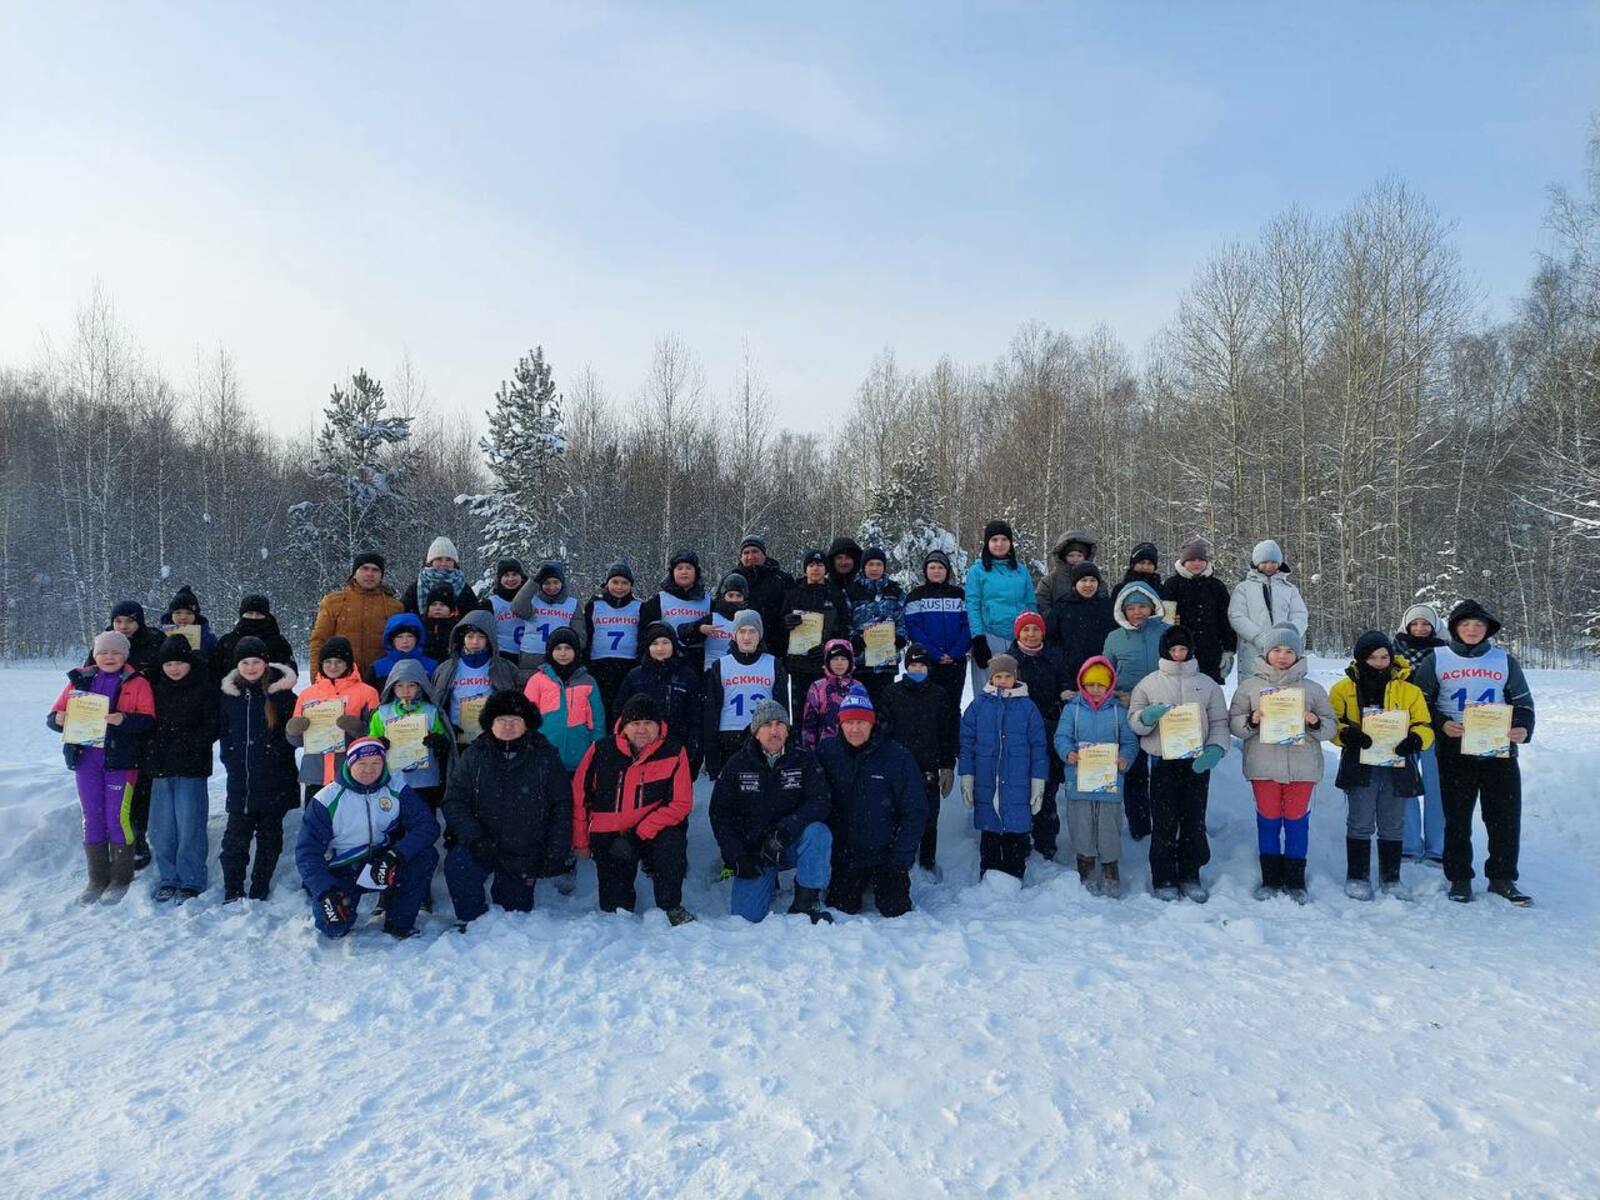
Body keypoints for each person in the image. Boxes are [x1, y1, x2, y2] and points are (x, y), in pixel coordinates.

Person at [1410, 600, 1536, 906]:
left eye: (1478, 625)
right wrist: (1442, 724)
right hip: (1455, 746)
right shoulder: (1436, 659)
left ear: (1487, 629)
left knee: (1504, 816)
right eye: (1465, 624)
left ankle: (1502, 877)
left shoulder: (1503, 660)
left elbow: (1523, 703)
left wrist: (1522, 728)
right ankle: (1460, 878)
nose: (1472, 630)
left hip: (1497, 744)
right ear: (1455, 628)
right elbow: (1420, 703)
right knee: (1456, 816)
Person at [441, 690, 571, 925]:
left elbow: (561, 805)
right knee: (459, 865)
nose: (508, 726)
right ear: (490, 724)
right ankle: (471, 921)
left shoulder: (545, 757)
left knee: (515, 917)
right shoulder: (474, 755)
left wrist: (555, 851)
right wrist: (475, 838)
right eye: (501, 720)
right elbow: (454, 801)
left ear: (527, 724)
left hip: (525, 848)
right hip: (482, 843)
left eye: (515, 720)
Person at [1228, 624, 1337, 903]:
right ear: (1266, 653)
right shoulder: (1250, 687)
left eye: (1289, 650)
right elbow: (1234, 725)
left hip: (1302, 768)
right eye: (1276, 649)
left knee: (1297, 822)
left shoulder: (1311, 689)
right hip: (1263, 767)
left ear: (1298, 655)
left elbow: (1330, 728)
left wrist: (1313, 721)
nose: (1282, 655)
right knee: (1268, 822)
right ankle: (1271, 878)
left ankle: (1296, 879)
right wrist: (1252, 720)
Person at [48, 630, 156, 905]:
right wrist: (59, 719)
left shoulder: (137, 681)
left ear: (125, 656)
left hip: (121, 761)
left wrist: (124, 720)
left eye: (116, 652)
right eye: (104, 652)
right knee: (92, 817)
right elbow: (53, 716)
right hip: (86, 759)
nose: (110, 657)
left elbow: (148, 721)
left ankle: (121, 876)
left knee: (117, 818)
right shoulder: (81, 679)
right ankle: (97, 877)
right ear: (95, 655)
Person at [296, 737, 440, 939]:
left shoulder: (397, 788)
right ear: (349, 763)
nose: (369, 769)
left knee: (424, 856)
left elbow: (427, 826)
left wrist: (396, 855)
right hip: (343, 870)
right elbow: (307, 853)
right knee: (333, 929)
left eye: (376, 763)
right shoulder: (326, 799)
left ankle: (399, 922)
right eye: (362, 763)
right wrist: (325, 891)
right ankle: (338, 907)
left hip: (383, 864)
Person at [571, 693, 696, 924]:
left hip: (651, 832)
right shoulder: (601, 750)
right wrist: (581, 842)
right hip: (608, 834)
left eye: (649, 723)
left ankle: (670, 906)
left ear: (659, 726)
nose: (642, 730)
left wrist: (637, 835)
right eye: (635, 723)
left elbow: (681, 804)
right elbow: (579, 795)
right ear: (623, 726)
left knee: (672, 841)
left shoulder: (674, 752)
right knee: (615, 909)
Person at [708, 699, 834, 924]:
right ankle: (766, 881)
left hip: (790, 842)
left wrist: (786, 829)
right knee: (745, 917)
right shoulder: (737, 764)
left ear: (787, 730)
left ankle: (806, 901)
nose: (774, 730)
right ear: (756, 732)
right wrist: (737, 857)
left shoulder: (804, 759)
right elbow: (720, 814)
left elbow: (820, 801)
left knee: (819, 833)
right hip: (756, 853)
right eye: (767, 725)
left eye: (779, 724)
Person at [1329, 631, 1434, 901]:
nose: (1379, 662)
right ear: (1360, 658)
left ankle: (1391, 878)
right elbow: (1332, 723)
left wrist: (1415, 740)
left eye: (1384, 656)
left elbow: (1424, 725)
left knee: (1392, 823)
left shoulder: (1408, 690)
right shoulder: (1343, 689)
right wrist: (1346, 735)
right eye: (1372, 657)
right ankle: (1357, 876)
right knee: (1360, 822)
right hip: (1359, 763)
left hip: (1397, 765)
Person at [1127, 627, 1229, 903]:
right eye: (1174, 650)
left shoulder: (1206, 684)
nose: (1179, 655)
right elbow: (1134, 720)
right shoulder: (1149, 684)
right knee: (1164, 820)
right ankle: (1163, 878)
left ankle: (1189, 874)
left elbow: (1220, 722)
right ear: (1165, 652)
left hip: (1197, 763)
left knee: (1193, 820)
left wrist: (1216, 748)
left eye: (1183, 649)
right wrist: (1147, 718)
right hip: (1163, 763)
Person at [816, 689, 927, 917]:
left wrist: (900, 860)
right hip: (846, 856)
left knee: (895, 911)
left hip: (886, 856)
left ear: (873, 723)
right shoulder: (827, 753)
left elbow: (915, 811)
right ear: (840, 724)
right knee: (841, 909)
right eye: (849, 722)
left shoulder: (897, 756)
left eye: (862, 722)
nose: (855, 729)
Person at [217, 639, 300, 902]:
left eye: (256, 662)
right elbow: (226, 734)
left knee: (269, 837)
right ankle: (233, 888)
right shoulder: (231, 697)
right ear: (237, 665)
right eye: (244, 662)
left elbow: (294, 734)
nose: (250, 667)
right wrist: (231, 760)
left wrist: (275, 754)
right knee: (234, 840)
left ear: (265, 663)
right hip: (241, 779)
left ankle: (260, 886)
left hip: (274, 778)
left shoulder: (283, 695)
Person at [1052, 657, 1139, 896]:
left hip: (1109, 781)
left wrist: (1125, 757)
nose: (1095, 690)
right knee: (1082, 824)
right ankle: (1086, 866)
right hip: (1079, 778)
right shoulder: (1073, 709)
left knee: (1108, 825)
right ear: (1082, 685)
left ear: (1109, 686)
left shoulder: (1119, 712)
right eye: (1090, 685)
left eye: (1100, 685)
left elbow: (1130, 741)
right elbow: (1061, 737)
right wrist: (1067, 752)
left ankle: (1110, 868)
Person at [959, 653, 1047, 882]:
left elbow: (1039, 746)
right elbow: (967, 743)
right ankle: (988, 878)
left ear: (1015, 677)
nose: (1002, 680)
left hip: (1018, 781)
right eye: (998, 676)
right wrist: (966, 775)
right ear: (990, 677)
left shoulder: (1028, 707)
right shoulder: (978, 706)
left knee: (1015, 834)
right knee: (990, 833)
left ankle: (1014, 878)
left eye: (1007, 676)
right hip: (986, 781)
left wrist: (1038, 781)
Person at [146, 635, 219, 903]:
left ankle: (191, 879)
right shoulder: (153, 689)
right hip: (160, 768)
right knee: (162, 828)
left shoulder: (205, 689)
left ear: (189, 663)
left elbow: (212, 726)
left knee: (190, 826)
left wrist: (189, 743)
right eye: (168, 664)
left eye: (179, 663)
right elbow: (145, 723)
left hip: (191, 767)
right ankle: (168, 877)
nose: (174, 668)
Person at [878, 644, 958, 880]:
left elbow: (948, 733)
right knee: (897, 816)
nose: (918, 669)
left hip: (929, 768)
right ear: (906, 666)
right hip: (898, 769)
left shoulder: (939, 695)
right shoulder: (891, 694)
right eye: (913, 665)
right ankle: (899, 862)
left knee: (928, 818)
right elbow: (882, 731)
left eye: (922, 665)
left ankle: (927, 863)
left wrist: (947, 765)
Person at [1100, 579, 1170, 841]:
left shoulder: (1166, 632)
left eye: (1142, 606)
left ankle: (1164, 819)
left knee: (1164, 770)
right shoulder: (1114, 638)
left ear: (1152, 607)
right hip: (1128, 709)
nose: (1137, 612)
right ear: (1123, 610)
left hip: (1163, 710)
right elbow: (1105, 673)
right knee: (1135, 769)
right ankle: (1140, 826)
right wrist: (1116, 696)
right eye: (1131, 608)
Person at [285, 636, 380, 805]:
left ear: (348, 663)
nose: (333, 666)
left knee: (350, 825)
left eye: (339, 661)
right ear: (321, 663)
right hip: (316, 773)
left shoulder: (367, 693)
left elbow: (377, 735)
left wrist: (358, 729)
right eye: (328, 661)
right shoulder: (308, 694)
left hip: (352, 771)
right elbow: (296, 741)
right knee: (316, 826)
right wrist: (293, 731)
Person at [1005, 610, 1067, 860]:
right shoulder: (1009, 660)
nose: (1031, 634)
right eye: (1026, 630)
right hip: (1019, 733)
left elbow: (1064, 684)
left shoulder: (1054, 656)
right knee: (1020, 787)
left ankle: (1046, 840)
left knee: (1047, 787)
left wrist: (1064, 695)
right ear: (1018, 633)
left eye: (1036, 629)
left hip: (1049, 728)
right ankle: (1019, 837)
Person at [1392, 602, 1448, 864]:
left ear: (1434, 626)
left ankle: (1438, 846)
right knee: (1406, 783)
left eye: (1426, 623)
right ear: (1406, 625)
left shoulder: (1447, 653)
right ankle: (1410, 843)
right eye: (1415, 623)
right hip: (1402, 725)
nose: (1420, 628)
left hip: (1437, 726)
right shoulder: (1392, 652)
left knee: (1437, 785)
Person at [702, 610, 787, 779]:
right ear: (734, 635)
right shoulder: (721, 665)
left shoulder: (773, 664)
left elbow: (783, 707)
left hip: (763, 736)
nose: (747, 637)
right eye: (742, 631)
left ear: (760, 635)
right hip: (729, 737)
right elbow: (711, 711)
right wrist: (712, 757)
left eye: (752, 631)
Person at [615, 623, 702, 777]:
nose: (660, 648)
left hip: (677, 746)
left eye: (665, 642)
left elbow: (696, 714)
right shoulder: (635, 677)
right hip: (641, 747)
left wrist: (693, 745)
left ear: (673, 645)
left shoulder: (687, 675)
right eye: (655, 643)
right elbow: (620, 713)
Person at [369, 659, 453, 811]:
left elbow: (443, 741)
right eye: (399, 685)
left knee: (425, 821)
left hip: (425, 781)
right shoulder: (382, 713)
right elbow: (371, 742)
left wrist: (438, 742)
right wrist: (379, 743)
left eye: (411, 685)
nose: (405, 691)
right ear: (392, 687)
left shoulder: (431, 711)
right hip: (393, 780)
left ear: (420, 686)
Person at [309, 550, 404, 684]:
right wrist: (317, 678)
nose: (370, 574)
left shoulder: (395, 607)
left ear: (381, 576)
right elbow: (319, 641)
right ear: (354, 573)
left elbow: (402, 646)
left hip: (382, 680)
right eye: (364, 568)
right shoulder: (334, 602)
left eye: (375, 570)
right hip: (342, 680)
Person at [964, 519, 1036, 692]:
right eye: (994, 540)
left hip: (1018, 639)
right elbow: (972, 605)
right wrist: (978, 638)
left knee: (1016, 688)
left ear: (1010, 543)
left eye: (1004, 539)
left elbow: (1030, 603)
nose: (999, 544)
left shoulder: (1021, 571)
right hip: (989, 636)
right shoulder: (977, 571)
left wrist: (1031, 632)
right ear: (987, 543)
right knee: (988, 689)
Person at [523, 628, 608, 774]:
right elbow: (526, 716)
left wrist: (597, 745)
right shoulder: (537, 680)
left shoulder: (588, 681)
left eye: (568, 648)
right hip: (545, 756)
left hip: (579, 756)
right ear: (550, 651)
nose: (563, 653)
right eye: (558, 648)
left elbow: (597, 718)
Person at [903, 549, 968, 737]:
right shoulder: (916, 595)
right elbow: (914, 628)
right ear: (925, 571)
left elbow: (967, 626)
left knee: (952, 706)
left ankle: (952, 749)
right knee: (929, 706)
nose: (936, 571)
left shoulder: (958, 594)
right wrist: (934, 654)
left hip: (955, 661)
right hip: (928, 662)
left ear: (947, 570)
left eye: (940, 567)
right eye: (932, 567)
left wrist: (955, 652)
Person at [431, 610, 520, 745]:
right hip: (458, 736)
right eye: (470, 636)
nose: (475, 641)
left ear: (489, 639)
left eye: (481, 637)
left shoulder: (504, 668)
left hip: (493, 736)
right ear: (462, 638)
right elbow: (437, 703)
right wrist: (446, 729)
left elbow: (515, 702)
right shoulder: (446, 669)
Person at [780, 548, 851, 716]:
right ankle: (799, 742)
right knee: (800, 712)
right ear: (805, 569)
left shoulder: (835, 595)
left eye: (820, 564)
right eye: (811, 565)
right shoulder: (793, 594)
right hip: (799, 664)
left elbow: (844, 628)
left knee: (827, 710)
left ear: (826, 569)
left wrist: (828, 649)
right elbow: (779, 626)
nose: (815, 568)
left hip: (826, 665)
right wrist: (786, 622)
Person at [1228, 539, 1309, 679]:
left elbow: (1300, 615)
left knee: (1285, 692)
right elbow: (1236, 616)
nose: (1269, 566)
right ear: (1256, 563)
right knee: (1253, 691)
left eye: (1273, 562)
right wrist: (1258, 637)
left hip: (1285, 650)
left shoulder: (1289, 589)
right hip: (1253, 649)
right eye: (1264, 562)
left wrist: (1290, 636)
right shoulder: (1244, 588)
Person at [1160, 536, 1237, 683]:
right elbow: (1166, 620)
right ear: (1184, 562)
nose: (1196, 563)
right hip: (1181, 651)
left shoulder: (1217, 586)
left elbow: (1225, 619)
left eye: (1200, 559)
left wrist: (1228, 649)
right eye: (1191, 560)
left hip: (1211, 649)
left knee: (1209, 693)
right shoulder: (1172, 585)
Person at [844, 547, 907, 709]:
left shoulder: (895, 591)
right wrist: (853, 639)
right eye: (870, 564)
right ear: (863, 567)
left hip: (886, 661)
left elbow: (902, 619)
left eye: (879, 564)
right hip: (861, 662)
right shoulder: (852, 591)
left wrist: (900, 638)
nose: (874, 568)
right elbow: (845, 621)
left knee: (884, 708)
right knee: (862, 707)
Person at [583, 562, 644, 715]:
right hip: (599, 665)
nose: (619, 587)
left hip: (628, 665)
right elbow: (587, 635)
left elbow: (643, 638)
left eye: (624, 583)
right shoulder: (595, 605)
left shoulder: (639, 607)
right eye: (615, 582)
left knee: (624, 707)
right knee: (599, 708)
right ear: (607, 583)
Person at [639, 549, 712, 675]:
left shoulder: (709, 601)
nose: (684, 572)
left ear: (696, 572)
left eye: (689, 568)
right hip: (668, 661)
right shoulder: (658, 600)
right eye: (679, 568)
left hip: (699, 661)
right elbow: (645, 635)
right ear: (672, 572)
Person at [1045, 562, 1117, 687]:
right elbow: (1050, 639)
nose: (1088, 584)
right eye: (1083, 580)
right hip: (1070, 671)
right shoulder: (1062, 607)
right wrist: (1061, 660)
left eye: (1092, 580)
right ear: (1075, 584)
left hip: (1101, 669)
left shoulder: (1107, 607)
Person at [509, 560, 585, 671]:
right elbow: (517, 608)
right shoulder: (532, 600)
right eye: (547, 583)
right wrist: (533, 582)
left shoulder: (572, 604)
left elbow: (580, 638)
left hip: (560, 657)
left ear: (562, 583)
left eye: (556, 582)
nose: (552, 587)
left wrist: (567, 652)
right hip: (532, 654)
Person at [734, 535, 794, 659]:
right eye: (746, 552)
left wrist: (787, 621)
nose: (750, 556)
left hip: (776, 644)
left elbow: (792, 607)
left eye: (755, 551)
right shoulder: (733, 578)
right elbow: (719, 606)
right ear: (741, 556)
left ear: (764, 554)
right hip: (741, 645)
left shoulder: (781, 579)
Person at [212, 594, 297, 680]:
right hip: (232, 691)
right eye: (249, 613)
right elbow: (215, 672)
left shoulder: (278, 642)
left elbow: (290, 672)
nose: (254, 617)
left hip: (270, 691)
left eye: (259, 614)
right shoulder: (228, 641)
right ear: (242, 615)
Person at [802, 639, 860, 749]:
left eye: (843, 659)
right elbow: (809, 724)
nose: (839, 663)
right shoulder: (817, 687)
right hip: (825, 749)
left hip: (853, 750)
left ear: (851, 661)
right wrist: (810, 751)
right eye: (834, 659)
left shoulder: (858, 688)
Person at [402, 535, 478, 615]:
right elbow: (404, 615)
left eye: (448, 559)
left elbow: (474, 616)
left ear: (454, 563)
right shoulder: (416, 587)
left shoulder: (463, 588)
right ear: (431, 562)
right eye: (439, 559)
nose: (443, 563)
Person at [370, 612, 439, 694]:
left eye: (410, 636)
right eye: (399, 637)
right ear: (391, 640)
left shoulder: (431, 666)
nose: (405, 641)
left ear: (417, 639)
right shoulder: (378, 667)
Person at [477, 558, 530, 662]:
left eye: (514, 574)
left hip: (528, 655)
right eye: (506, 575)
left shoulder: (532, 599)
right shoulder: (490, 604)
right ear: (499, 579)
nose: (511, 579)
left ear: (521, 577)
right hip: (502, 656)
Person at [1037, 529, 1101, 610]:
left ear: (1086, 556)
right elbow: (1042, 606)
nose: (1075, 559)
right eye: (1071, 555)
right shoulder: (1050, 581)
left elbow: (1103, 602)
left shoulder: (1094, 579)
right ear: (1063, 557)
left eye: (1079, 555)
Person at [699, 572, 748, 669]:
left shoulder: (749, 619)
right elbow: (684, 632)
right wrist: (699, 628)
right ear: (723, 596)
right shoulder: (712, 618)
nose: (734, 599)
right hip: (712, 670)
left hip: (739, 673)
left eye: (739, 596)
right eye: (730, 595)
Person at [158, 585, 219, 655]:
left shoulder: (208, 639)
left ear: (196, 616)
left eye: (189, 613)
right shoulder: (158, 637)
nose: (183, 617)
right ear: (171, 615)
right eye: (178, 613)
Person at [420, 583, 461, 663]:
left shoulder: (457, 627)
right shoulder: (421, 625)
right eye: (433, 604)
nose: (437, 608)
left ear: (451, 609)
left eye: (442, 605)